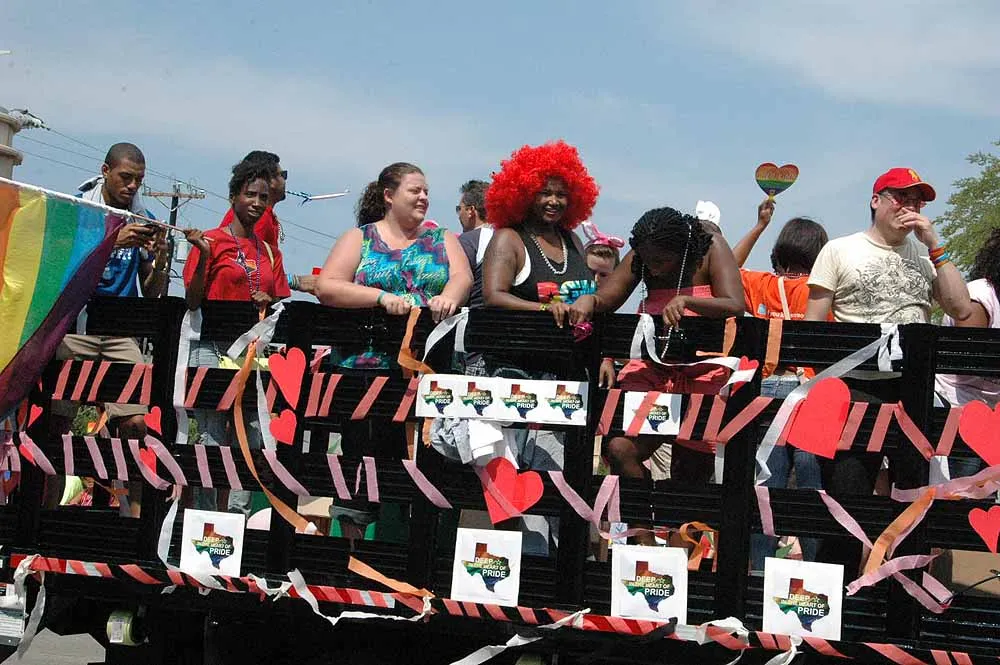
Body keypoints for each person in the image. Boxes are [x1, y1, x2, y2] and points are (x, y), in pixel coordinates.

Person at [805, 167, 972, 571]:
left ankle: (901, 592)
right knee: (848, 499)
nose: (909, 207)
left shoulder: (926, 257)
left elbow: (962, 309)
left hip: (913, 389)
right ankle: (838, 592)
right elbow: (811, 327)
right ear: (876, 200)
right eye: (901, 197)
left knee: (912, 502)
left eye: (917, 201)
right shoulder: (840, 250)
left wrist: (935, 245)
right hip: (856, 388)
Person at [316, 162, 471, 540]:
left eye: (426, 191)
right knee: (360, 463)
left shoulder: (442, 238)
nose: (424, 197)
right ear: (389, 195)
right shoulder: (360, 238)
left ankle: (413, 555)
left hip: (426, 371)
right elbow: (328, 286)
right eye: (415, 190)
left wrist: (449, 297)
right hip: (364, 369)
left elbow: (462, 276)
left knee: (427, 465)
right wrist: (380, 297)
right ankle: (351, 555)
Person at [572, 206, 744, 542]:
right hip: (651, 371)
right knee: (619, 448)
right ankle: (645, 543)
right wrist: (590, 301)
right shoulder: (643, 254)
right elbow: (609, 297)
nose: (652, 268)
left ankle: (679, 560)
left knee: (689, 478)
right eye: (647, 261)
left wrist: (689, 302)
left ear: (682, 249)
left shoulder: (711, 247)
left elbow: (735, 303)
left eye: (661, 261)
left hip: (702, 373)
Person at [47, 143, 168, 515]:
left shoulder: (144, 217)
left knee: (138, 421)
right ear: (105, 171)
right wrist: (111, 241)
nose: (132, 186)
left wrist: (161, 260)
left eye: (139, 180)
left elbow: (152, 291)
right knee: (56, 423)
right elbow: (58, 267)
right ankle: (43, 517)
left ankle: (134, 520)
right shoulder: (79, 210)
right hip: (76, 327)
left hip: (119, 332)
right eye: (126, 177)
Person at [184, 159, 291, 516]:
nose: (257, 203)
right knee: (212, 439)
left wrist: (268, 299)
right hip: (211, 347)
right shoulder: (211, 240)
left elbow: (278, 302)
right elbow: (192, 300)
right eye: (250, 195)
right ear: (233, 197)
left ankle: (237, 523)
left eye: (263, 197)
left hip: (251, 353)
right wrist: (203, 256)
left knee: (252, 439)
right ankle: (205, 522)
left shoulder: (270, 251)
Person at [734, 198, 830, 570]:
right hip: (810, 392)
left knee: (766, 485)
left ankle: (759, 570)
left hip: (766, 389)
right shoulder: (822, 291)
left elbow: (728, 266)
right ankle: (814, 571)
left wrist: (758, 226)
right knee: (811, 483)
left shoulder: (761, 285)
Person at [934, 227, 1000, 478]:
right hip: (957, 406)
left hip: (991, 411)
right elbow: (968, 357)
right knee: (962, 489)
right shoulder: (980, 296)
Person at [215, 150, 317, 295]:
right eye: (283, 175)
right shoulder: (257, 217)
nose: (285, 181)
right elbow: (245, 268)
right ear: (270, 181)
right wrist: (296, 281)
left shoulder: (261, 215)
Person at [456, 179, 492, 309]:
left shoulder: (467, 241)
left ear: (471, 210)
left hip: (476, 315)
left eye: (459, 209)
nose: (458, 215)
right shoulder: (510, 237)